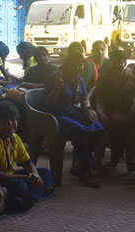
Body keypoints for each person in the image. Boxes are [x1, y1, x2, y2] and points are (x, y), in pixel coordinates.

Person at [43, 51, 104, 188]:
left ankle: (79, 163)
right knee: (80, 131)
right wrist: (57, 89)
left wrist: (87, 109)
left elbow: (84, 98)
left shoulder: (79, 79)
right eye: (74, 65)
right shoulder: (56, 77)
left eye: (80, 65)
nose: (77, 68)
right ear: (67, 65)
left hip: (71, 113)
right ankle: (88, 171)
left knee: (96, 126)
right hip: (57, 115)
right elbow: (46, 103)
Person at [0, 101, 54, 207]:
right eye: (5, 121)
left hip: (10, 175)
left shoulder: (15, 138)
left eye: (13, 120)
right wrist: (24, 178)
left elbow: (28, 164)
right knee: (21, 186)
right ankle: (35, 194)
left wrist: (35, 175)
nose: (10, 124)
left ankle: (26, 198)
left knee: (46, 173)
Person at [96, 50, 134, 171]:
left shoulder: (130, 78)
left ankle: (114, 160)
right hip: (108, 110)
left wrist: (129, 89)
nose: (117, 65)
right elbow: (99, 100)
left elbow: (132, 102)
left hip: (126, 112)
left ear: (124, 63)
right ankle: (97, 159)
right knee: (98, 122)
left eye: (120, 62)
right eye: (114, 62)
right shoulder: (103, 79)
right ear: (110, 63)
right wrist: (101, 112)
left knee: (120, 123)